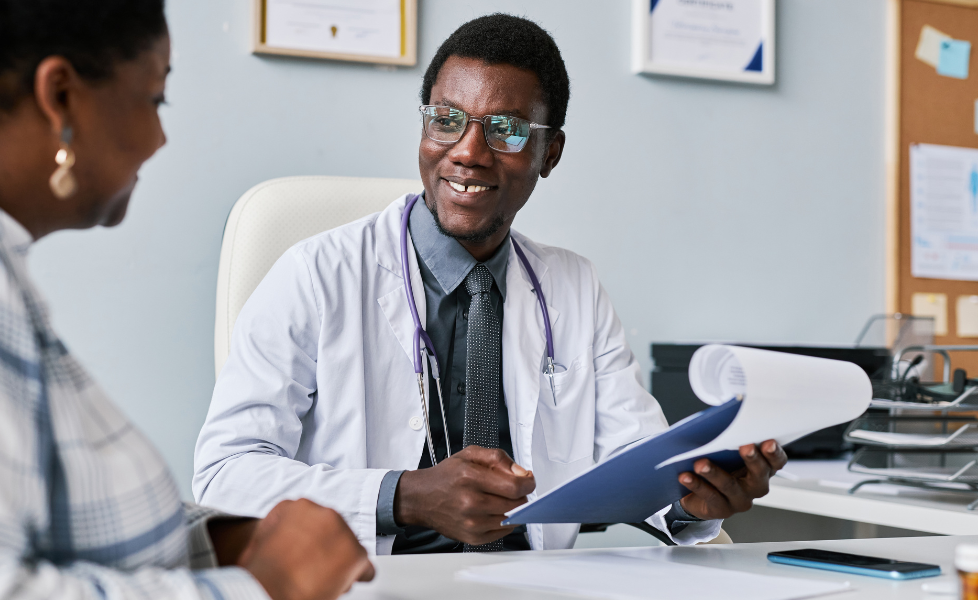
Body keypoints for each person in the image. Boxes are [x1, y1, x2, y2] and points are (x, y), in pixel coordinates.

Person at [194, 14, 788, 555]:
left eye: (504, 130)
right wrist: (403, 496)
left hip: (531, 583)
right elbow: (224, 473)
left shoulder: (573, 286)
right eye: (447, 120)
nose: (468, 153)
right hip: (374, 584)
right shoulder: (316, 273)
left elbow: (639, 463)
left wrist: (689, 502)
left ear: (548, 152)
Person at [0, 1, 373, 598]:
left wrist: (216, 543)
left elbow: (60, 525)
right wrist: (269, 585)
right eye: (155, 99)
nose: (160, 138)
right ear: (59, 96)